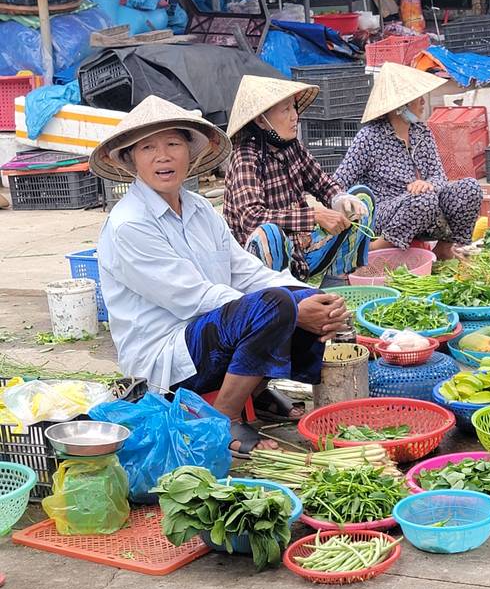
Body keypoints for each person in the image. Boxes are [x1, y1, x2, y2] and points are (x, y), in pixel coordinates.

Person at [91, 95, 349, 454]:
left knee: (295, 298)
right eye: (148, 147)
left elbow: (245, 270)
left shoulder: (198, 208)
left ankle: (255, 391)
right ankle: (223, 417)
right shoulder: (129, 224)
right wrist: (289, 308)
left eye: (173, 144)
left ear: (189, 152)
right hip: (166, 355)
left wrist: (307, 296)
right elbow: (193, 299)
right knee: (275, 306)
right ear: (133, 159)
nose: (162, 156)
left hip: (209, 332)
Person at [222, 75, 371, 280]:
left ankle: (337, 279)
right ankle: (285, 299)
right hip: (265, 263)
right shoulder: (245, 158)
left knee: (360, 199)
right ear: (260, 120)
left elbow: (322, 182)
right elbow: (251, 218)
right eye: (286, 110)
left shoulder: (293, 146)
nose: (295, 117)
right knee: (269, 234)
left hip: (303, 248)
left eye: (294, 108)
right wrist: (314, 215)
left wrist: (339, 199)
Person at [333, 62, 483, 259]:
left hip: (420, 206)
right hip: (384, 210)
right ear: (399, 106)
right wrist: (347, 208)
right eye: (416, 98)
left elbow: (438, 176)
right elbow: (339, 181)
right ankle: (377, 248)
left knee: (469, 187)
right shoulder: (369, 137)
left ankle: (445, 249)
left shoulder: (422, 133)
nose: (422, 102)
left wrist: (427, 184)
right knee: (424, 199)